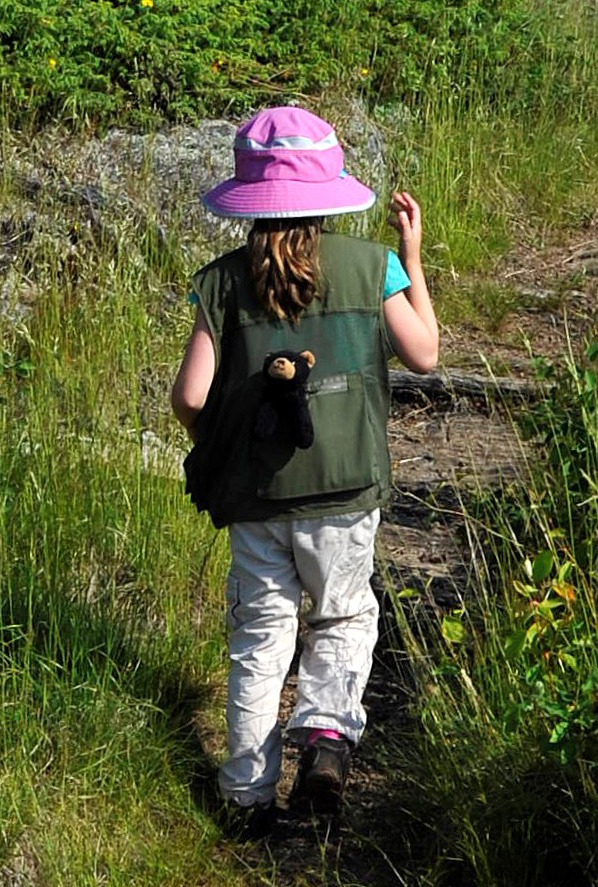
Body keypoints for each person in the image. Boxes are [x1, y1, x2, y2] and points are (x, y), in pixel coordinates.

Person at [169, 106, 439, 840]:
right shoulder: (367, 265)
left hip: (258, 498)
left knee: (259, 638)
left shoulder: (220, 284)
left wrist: (223, 442)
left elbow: (190, 396)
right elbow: (423, 354)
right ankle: (324, 736)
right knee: (344, 614)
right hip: (346, 492)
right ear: (328, 193)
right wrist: (411, 260)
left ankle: (246, 796)